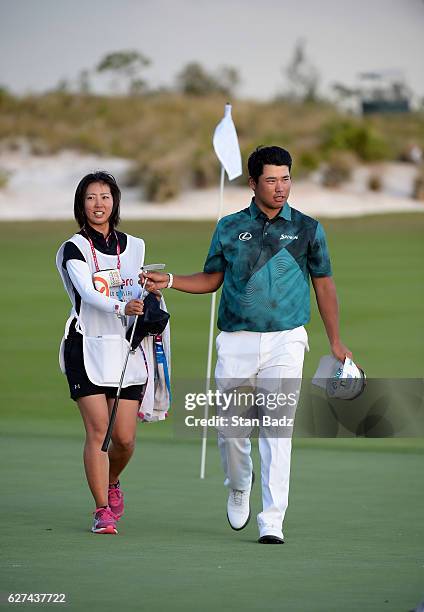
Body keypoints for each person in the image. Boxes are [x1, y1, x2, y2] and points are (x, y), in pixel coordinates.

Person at [142, 146, 353, 545]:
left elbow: (324, 284)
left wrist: (336, 341)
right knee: (232, 430)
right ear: (253, 183)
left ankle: (272, 519)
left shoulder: (308, 228)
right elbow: (211, 279)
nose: (280, 188)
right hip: (236, 340)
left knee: (277, 430)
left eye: (286, 178)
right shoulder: (228, 226)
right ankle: (239, 483)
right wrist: (170, 281)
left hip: (287, 340)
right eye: (271, 180)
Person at [56, 171, 148, 535]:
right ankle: (101, 510)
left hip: (126, 346)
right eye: (91, 197)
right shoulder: (73, 248)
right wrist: (121, 308)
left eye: (105, 197)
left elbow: (141, 286)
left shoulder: (136, 245)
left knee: (124, 438)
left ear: (115, 202)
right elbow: (89, 293)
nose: (98, 204)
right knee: (100, 432)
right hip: (86, 344)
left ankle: (110, 482)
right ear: (81, 204)